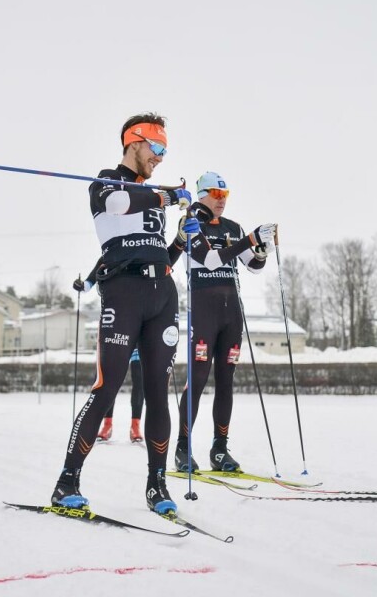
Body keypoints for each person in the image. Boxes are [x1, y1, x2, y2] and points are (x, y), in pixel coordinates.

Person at [50, 112, 190, 515]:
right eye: (156, 148)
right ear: (134, 142)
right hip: (124, 294)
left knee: (158, 392)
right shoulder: (107, 181)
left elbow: (160, 255)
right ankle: (67, 481)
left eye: (165, 151)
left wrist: (180, 240)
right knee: (107, 387)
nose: (160, 157)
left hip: (162, 296)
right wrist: (167, 197)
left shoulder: (152, 193)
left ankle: (157, 486)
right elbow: (117, 202)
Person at [167, 172, 275, 472]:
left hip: (231, 315)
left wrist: (261, 251)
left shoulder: (232, 227)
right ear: (202, 194)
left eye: (225, 195)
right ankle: (183, 448)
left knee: (226, 381)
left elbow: (253, 265)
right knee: (199, 379)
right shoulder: (191, 223)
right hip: (204, 312)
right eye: (216, 194)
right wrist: (250, 240)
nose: (221, 200)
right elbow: (211, 260)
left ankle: (219, 448)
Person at [72, 268, 145, 443]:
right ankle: (107, 424)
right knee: (108, 377)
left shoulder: (139, 256)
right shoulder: (110, 256)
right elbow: (91, 279)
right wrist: (83, 285)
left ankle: (135, 426)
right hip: (115, 324)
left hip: (138, 325)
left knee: (139, 377)